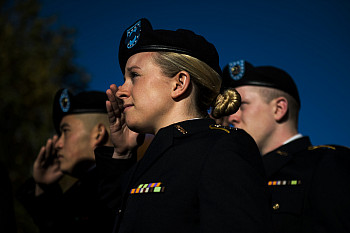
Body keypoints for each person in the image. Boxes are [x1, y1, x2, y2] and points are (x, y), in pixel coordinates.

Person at [94, 18, 271, 233]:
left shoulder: (221, 147)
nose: (120, 90)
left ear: (179, 83)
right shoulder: (148, 160)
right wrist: (121, 156)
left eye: (134, 75)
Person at [220, 59, 350, 233]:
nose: (231, 117)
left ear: (279, 108)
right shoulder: (238, 173)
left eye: (242, 105)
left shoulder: (326, 163)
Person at [17, 89, 117, 233]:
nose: (57, 144)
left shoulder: (120, 188)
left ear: (98, 134)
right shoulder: (84, 193)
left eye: (65, 131)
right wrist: (42, 188)